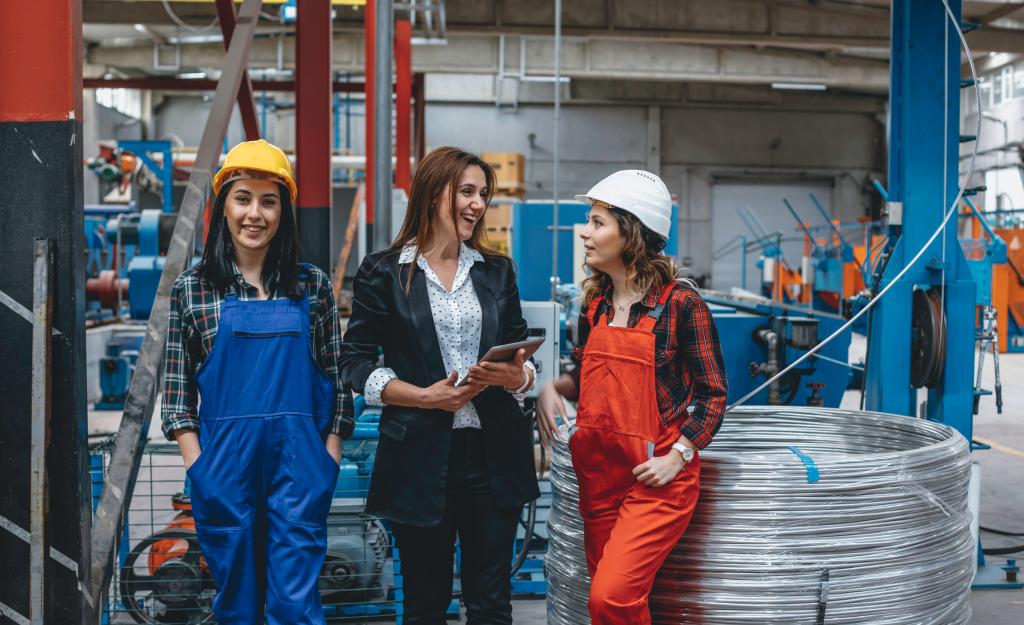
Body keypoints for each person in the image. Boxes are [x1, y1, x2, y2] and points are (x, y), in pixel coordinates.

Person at [339, 146, 540, 625]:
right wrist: (425, 396)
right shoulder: (384, 272)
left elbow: (519, 356)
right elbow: (353, 362)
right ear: (433, 195)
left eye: (483, 195)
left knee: (491, 603)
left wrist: (520, 376)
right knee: (426, 604)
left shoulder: (496, 272)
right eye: (466, 192)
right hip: (419, 456)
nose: (477, 204)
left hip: (493, 456)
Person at [161, 139, 353, 625]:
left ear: (283, 212)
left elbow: (337, 379)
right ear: (223, 205)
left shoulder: (312, 286)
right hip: (224, 469)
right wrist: (200, 468)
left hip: (299, 466)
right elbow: (178, 394)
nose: (255, 213)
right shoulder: (193, 288)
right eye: (243, 197)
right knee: (236, 606)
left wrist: (327, 457)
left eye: (269, 201)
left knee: (294, 605)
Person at [536, 170, 728, 625]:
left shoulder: (680, 304)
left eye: (598, 222)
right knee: (611, 607)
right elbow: (587, 378)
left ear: (632, 231)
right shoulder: (596, 304)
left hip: (654, 479)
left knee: (610, 598)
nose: (584, 231)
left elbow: (715, 394)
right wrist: (550, 387)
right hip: (599, 475)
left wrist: (678, 456)